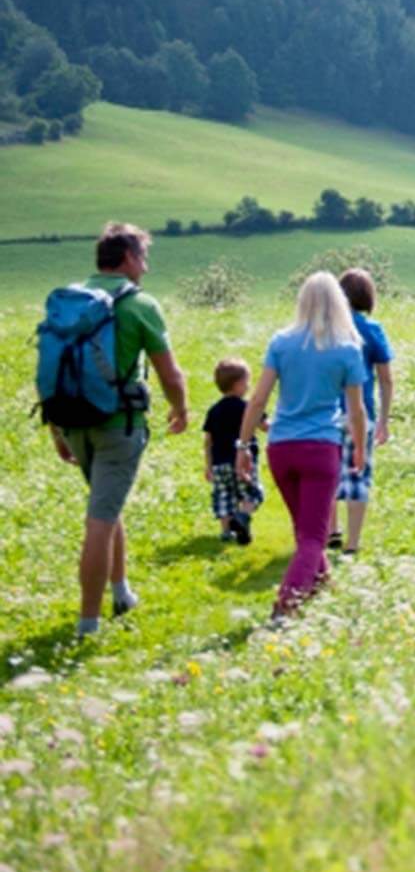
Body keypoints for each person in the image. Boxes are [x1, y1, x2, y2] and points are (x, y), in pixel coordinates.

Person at [48, 222, 189, 638]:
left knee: (107, 505)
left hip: (74, 421)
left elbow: (54, 370)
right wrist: (180, 409)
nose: (145, 266)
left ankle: (121, 590)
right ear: (127, 258)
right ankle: (88, 624)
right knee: (100, 519)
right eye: (143, 257)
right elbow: (171, 374)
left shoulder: (70, 300)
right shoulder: (139, 305)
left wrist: (56, 429)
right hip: (117, 425)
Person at [241, 273, 368, 619]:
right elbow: (356, 409)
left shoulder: (281, 342)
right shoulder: (347, 348)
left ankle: (323, 583)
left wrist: (242, 445)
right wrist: (360, 448)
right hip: (321, 448)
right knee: (314, 535)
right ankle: (287, 604)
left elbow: (257, 400)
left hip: (281, 447)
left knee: (304, 527)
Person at [332, 268, 393, 556]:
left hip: (329, 412)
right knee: (358, 474)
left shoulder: (329, 330)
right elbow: (385, 378)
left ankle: (331, 530)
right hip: (362, 413)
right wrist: (384, 419)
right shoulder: (372, 330)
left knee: (328, 473)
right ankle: (352, 543)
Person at [202, 358, 265, 546]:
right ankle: (243, 516)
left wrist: (208, 465)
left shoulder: (214, 410)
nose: (248, 386)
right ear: (238, 384)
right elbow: (265, 426)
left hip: (219, 463)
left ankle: (226, 532)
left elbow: (208, 440)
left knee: (224, 496)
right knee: (252, 494)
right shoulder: (247, 407)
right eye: (246, 382)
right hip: (243, 462)